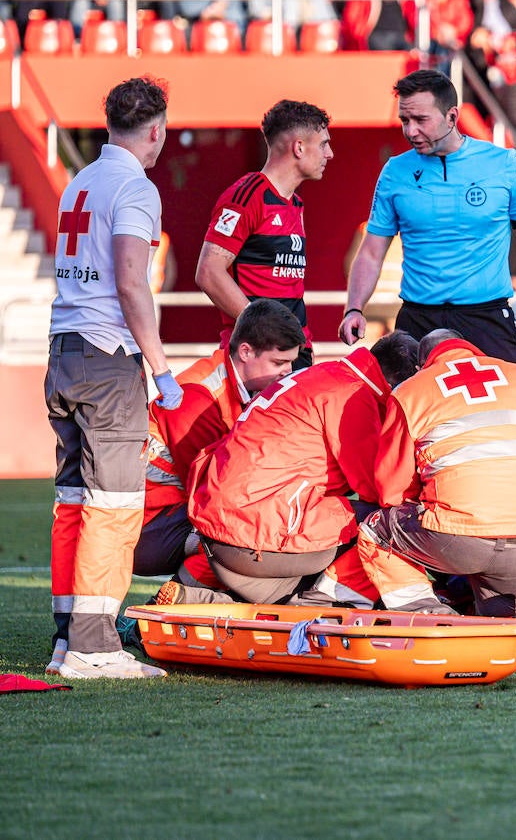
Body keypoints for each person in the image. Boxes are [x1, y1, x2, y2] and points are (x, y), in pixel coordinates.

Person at [351, 329, 516, 665]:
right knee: (501, 631)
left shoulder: (412, 392)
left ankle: (431, 618)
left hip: (462, 534)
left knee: (374, 531)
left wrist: (428, 500)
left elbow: (391, 489)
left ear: (421, 364)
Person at [46, 76, 178, 679]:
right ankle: (95, 647)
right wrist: (161, 365)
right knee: (116, 503)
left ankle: (69, 636)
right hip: (107, 358)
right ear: (155, 130)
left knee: (73, 500)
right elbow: (131, 280)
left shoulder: (81, 180)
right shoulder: (135, 186)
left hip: (65, 349)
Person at [341, 70, 516, 380]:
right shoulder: (395, 172)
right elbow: (370, 253)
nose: (411, 130)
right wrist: (354, 308)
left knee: (502, 421)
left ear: (451, 116)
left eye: (421, 119)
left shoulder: (506, 166)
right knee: (413, 425)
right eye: (405, 120)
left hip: (487, 319)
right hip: (417, 321)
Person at [178, 333, 420, 606]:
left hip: (223, 521)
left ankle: (198, 597)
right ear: (399, 381)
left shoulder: (327, 375)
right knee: (388, 524)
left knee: (347, 515)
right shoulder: (352, 394)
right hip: (255, 529)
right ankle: (319, 604)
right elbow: (381, 488)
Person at [136, 299, 305, 584]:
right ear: (246, 351)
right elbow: (213, 492)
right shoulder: (197, 400)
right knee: (242, 531)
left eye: (290, 362)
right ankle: (173, 604)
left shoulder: (239, 385)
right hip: (147, 526)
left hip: (167, 516)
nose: (287, 372)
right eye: (279, 362)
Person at [195, 100, 333, 371]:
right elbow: (208, 272)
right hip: (259, 354)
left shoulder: (295, 204)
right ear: (299, 147)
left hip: (295, 350)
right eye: (324, 144)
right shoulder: (246, 196)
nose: (330, 153)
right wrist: (262, 329)